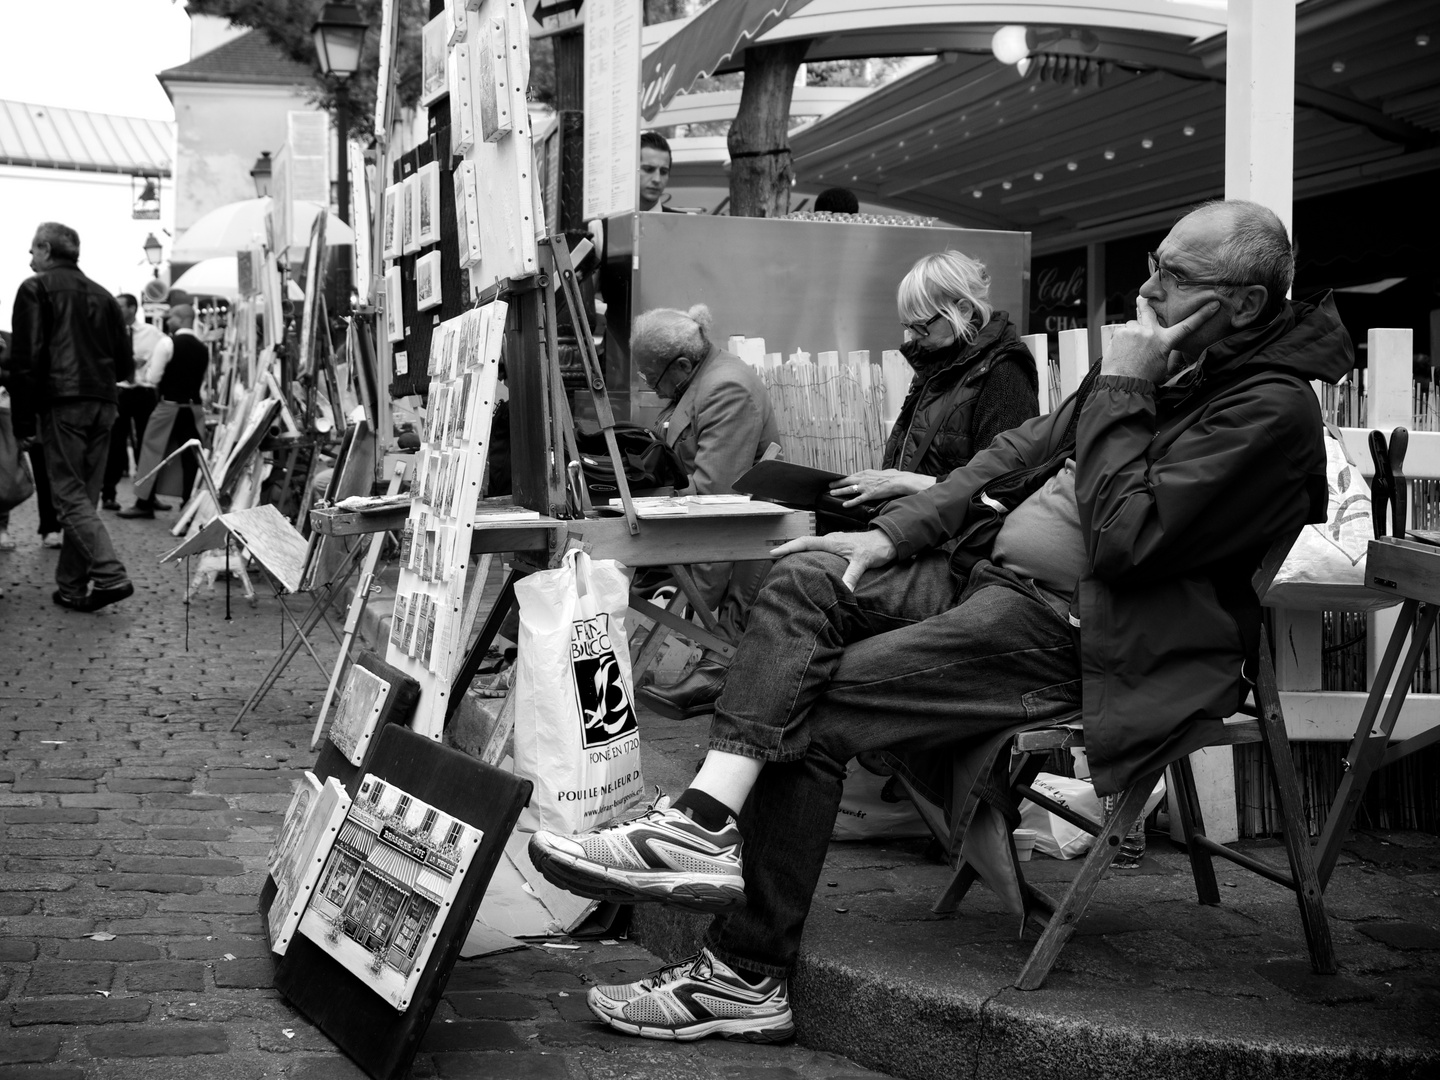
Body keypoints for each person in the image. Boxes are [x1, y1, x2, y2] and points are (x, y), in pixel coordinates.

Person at [529, 200, 1353, 1042]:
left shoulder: (1266, 410)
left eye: (1174, 277)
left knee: (810, 716)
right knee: (810, 573)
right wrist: (893, 534)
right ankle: (705, 817)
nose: (1148, 287)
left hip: (1092, 634)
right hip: (1000, 583)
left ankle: (744, 972)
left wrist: (1126, 382)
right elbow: (1015, 454)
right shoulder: (1187, 363)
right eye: (1154, 262)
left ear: (1244, 304)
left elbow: (1121, 540)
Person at [643, 249, 1040, 720]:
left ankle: (740, 716)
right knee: (796, 568)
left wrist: (907, 482)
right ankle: (742, 711)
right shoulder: (943, 368)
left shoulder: (1002, 373)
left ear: (965, 313)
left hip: (950, 556)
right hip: (912, 536)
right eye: (905, 327)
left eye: (919, 327)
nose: (909, 339)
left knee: (803, 579)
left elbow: (1005, 488)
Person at [627, 305, 780, 720]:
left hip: (742, 540)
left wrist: (696, 604)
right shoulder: (699, 379)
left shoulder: (726, 386)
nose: (648, 385)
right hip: (707, 528)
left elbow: (715, 504)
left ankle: (717, 670)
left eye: (651, 376)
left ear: (681, 364)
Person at [6, 223, 134, 611]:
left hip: (64, 401)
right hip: (104, 402)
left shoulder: (37, 288)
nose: (29, 259)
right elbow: (125, 364)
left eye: (32, 250)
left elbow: (27, 360)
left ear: (46, 249)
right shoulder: (105, 297)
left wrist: (24, 424)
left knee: (68, 499)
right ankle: (71, 586)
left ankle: (110, 575)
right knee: (83, 496)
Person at [119, 304, 208, 519]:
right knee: (191, 459)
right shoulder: (202, 347)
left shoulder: (167, 343)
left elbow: (153, 379)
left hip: (168, 406)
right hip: (193, 408)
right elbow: (202, 381)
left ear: (180, 318)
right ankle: (188, 506)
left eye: (171, 317)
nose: (168, 321)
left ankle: (144, 503)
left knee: (151, 452)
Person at [102, 294, 164, 512]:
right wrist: (125, 362)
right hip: (119, 391)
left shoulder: (152, 333)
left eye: (120, 306)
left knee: (146, 444)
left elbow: (164, 355)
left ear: (132, 308)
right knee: (115, 444)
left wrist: (149, 364)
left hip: (144, 392)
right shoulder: (109, 331)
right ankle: (108, 494)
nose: (116, 310)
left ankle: (147, 496)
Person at [639, 131, 683, 213]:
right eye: (648, 169)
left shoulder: (684, 223)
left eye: (663, 172)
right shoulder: (609, 223)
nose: (657, 179)